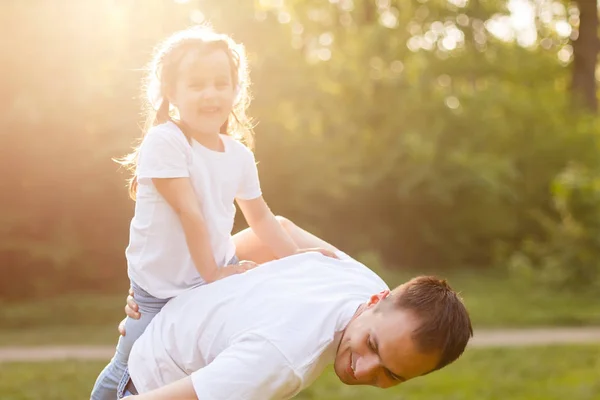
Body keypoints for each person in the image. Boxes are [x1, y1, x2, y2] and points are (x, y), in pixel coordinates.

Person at [91, 26, 335, 400]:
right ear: (171, 92)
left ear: (236, 90)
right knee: (132, 366)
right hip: (161, 292)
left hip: (212, 281)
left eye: (221, 83)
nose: (211, 94)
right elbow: (190, 212)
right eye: (196, 84)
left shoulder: (237, 154)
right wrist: (215, 274)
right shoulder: (166, 141)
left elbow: (261, 216)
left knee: (206, 372)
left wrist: (295, 259)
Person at [117, 220, 473, 399]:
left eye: (391, 375)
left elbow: (277, 231)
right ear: (377, 303)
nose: (363, 370)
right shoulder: (283, 357)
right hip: (144, 384)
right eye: (373, 346)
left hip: (152, 350)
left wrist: (175, 293)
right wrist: (165, 295)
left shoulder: (363, 282)